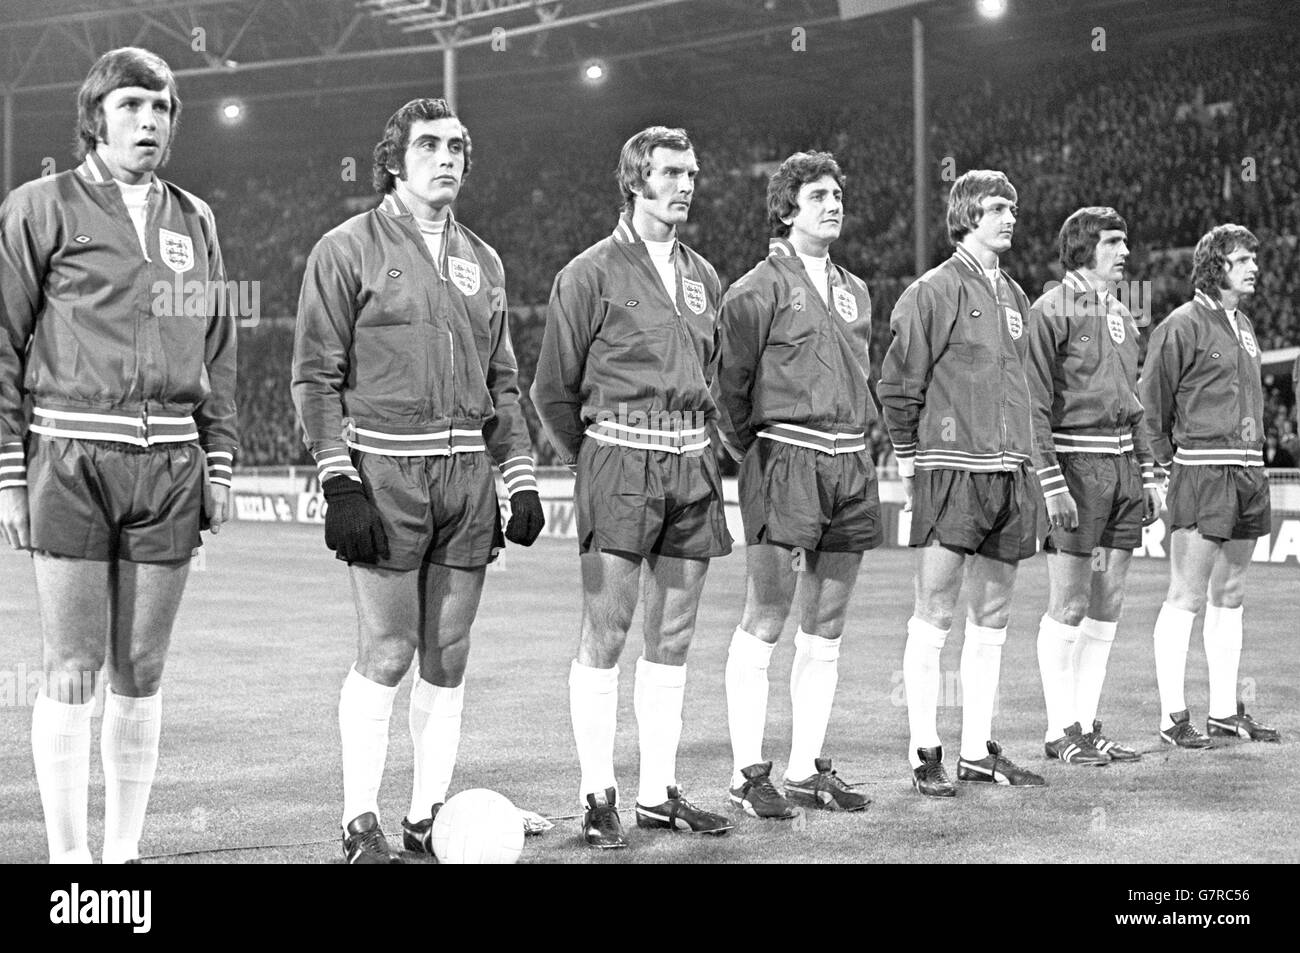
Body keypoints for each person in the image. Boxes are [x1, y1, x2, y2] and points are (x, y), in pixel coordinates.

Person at [292, 98, 543, 864]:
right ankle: (357, 820)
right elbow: (313, 374)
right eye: (430, 144)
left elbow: (503, 379)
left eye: (459, 145)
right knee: (391, 647)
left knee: (450, 650)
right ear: (394, 160)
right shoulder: (345, 249)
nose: (448, 157)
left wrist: (520, 475)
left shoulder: (485, 261)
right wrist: (339, 478)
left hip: (467, 470)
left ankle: (425, 816)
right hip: (386, 467)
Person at [0, 48, 236, 863]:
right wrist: (5, 469)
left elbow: (220, 344)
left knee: (141, 665)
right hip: (68, 451)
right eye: (132, 104)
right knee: (71, 664)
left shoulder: (195, 219)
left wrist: (223, 459)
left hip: (170, 460)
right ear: (94, 116)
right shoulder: (40, 206)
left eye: (163, 107)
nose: (149, 120)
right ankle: (70, 865)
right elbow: (2, 339)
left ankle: (124, 857)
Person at [531, 126, 733, 849]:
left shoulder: (705, 276)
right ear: (635, 180)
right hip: (617, 460)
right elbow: (552, 388)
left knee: (673, 635)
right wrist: (594, 457)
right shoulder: (587, 273)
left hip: (691, 462)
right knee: (607, 630)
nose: (686, 183)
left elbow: (711, 380)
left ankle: (657, 793)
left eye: (692, 171)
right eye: (672, 171)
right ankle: (596, 793)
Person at [714, 151, 877, 819]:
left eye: (837, 192)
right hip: (786, 458)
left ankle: (808, 768)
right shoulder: (753, 289)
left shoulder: (858, 289)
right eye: (817, 194)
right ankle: (747, 773)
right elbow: (729, 391)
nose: (832, 203)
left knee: (827, 625)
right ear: (786, 209)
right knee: (767, 617)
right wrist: (759, 452)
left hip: (850, 460)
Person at [877, 169, 1045, 797]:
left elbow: (1023, 389)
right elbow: (898, 385)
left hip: (1007, 472)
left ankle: (977, 751)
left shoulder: (1015, 297)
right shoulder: (933, 290)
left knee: (995, 616)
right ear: (968, 214)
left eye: (1014, 208)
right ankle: (925, 750)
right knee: (934, 614)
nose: (1010, 217)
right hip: (952, 472)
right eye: (999, 208)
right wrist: (910, 455)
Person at [1025, 207, 1162, 766]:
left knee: (1108, 602)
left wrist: (1151, 473)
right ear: (1083, 248)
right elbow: (1031, 402)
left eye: (1125, 240)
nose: (1124, 251)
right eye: (1112, 241)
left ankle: (1085, 724)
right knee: (1071, 601)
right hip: (1077, 466)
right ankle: (1060, 731)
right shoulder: (1050, 309)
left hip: (1123, 466)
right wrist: (1049, 479)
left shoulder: (1125, 315)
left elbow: (1134, 405)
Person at [1139, 224, 1279, 748]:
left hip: (1248, 470)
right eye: (1242, 260)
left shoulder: (1244, 326)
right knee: (1187, 594)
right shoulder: (1180, 324)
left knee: (1232, 592)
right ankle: (1172, 718)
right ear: (1216, 265)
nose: (1253, 268)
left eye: (1253, 259)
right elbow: (1150, 406)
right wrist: (1155, 473)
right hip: (1202, 470)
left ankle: (1224, 711)